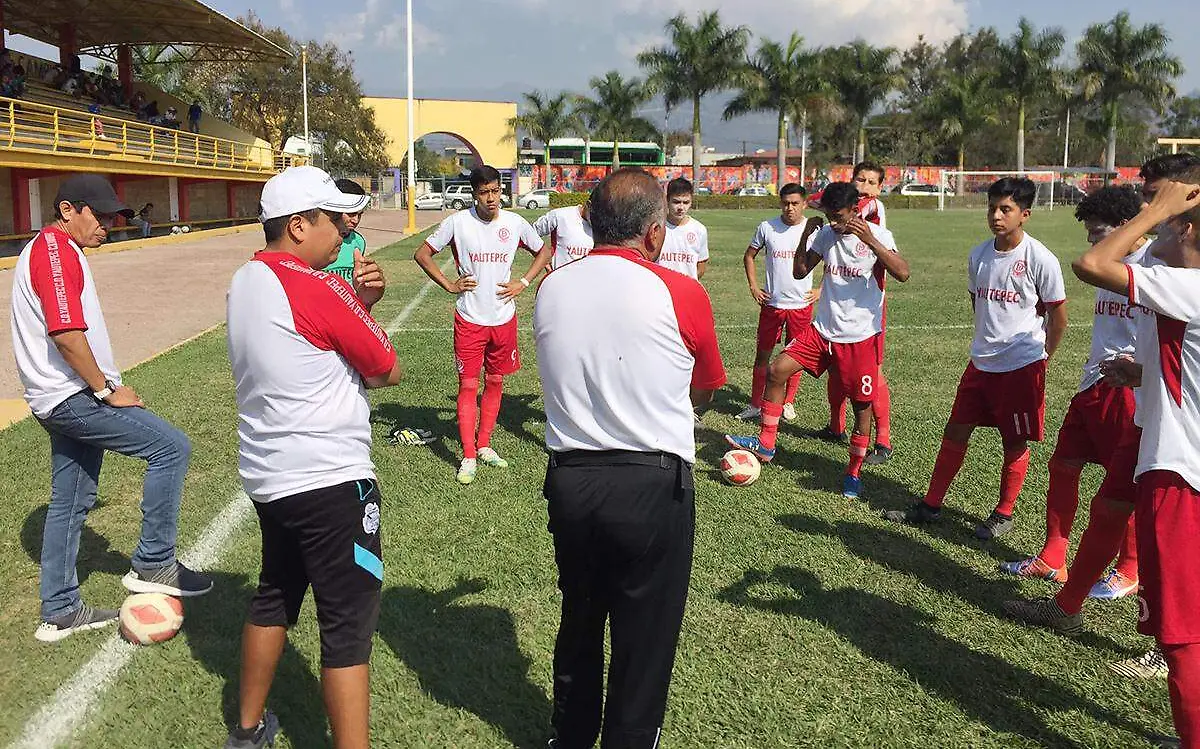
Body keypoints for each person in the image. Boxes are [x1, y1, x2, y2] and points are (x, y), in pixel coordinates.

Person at [534, 167, 725, 748]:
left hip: (572, 480)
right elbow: (706, 387)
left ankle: (569, 736)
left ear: (589, 223)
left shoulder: (552, 287)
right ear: (655, 233)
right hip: (650, 482)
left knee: (582, 616)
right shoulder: (680, 290)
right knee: (646, 634)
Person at [224, 165, 396, 749]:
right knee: (348, 624)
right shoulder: (311, 285)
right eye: (333, 218)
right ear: (298, 226)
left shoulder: (247, 279)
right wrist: (362, 303)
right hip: (331, 479)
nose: (346, 229)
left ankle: (247, 729)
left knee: (275, 591)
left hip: (272, 475)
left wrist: (352, 300)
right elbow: (384, 366)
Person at [10, 174, 212, 643]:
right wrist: (105, 390)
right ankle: (154, 563)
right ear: (67, 211)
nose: (108, 225)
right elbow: (65, 335)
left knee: (72, 499)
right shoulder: (55, 253)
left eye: (112, 218)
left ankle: (59, 610)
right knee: (170, 448)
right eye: (98, 216)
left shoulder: (58, 251)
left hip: (59, 396)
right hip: (71, 397)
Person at [1060, 174, 1200, 749]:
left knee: (1182, 634)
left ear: (1186, 229)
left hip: (1181, 474)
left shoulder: (1187, 286)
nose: (1155, 232)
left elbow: (1092, 263)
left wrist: (1151, 213)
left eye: (1167, 223)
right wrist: (1147, 375)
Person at [884, 177, 1067, 539]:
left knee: (1013, 441)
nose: (996, 216)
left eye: (1006, 209)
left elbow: (1058, 316)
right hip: (981, 363)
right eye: (992, 208)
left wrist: (1044, 356)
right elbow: (977, 303)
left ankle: (1003, 512)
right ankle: (931, 505)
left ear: (1024, 214)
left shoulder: (1039, 258)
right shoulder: (978, 254)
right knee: (956, 431)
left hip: (1021, 365)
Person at [999, 187, 1148, 599]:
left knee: (1126, 485)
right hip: (1093, 384)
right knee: (1063, 466)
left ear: (1124, 227)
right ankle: (1053, 557)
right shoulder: (1110, 264)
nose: (1090, 242)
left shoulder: (1153, 265)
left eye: (1097, 232)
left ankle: (1130, 569)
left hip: (1129, 392)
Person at [725, 181, 910, 500]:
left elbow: (903, 273)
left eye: (838, 216)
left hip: (859, 338)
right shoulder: (826, 234)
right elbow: (799, 272)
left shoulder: (879, 236)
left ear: (855, 211)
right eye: (828, 215)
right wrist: (808, 235)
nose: (834, 223)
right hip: (822, 331)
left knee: (862, 409)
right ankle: (767, 443)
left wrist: (870, 239)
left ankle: (853, 473)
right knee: (777, 369)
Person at [414, 165, 551, 485]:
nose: (492, 198)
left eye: (495, 191)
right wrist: (449, 284)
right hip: (470, 319)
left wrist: (524, 282)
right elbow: (423, 254)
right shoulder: (457, 223)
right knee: (467, 386)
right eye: (484, 192)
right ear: (474, 194)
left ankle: (485, 443)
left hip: (504, 318)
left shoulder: (515, 223)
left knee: (495, 380)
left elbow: (543, 251)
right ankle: (468, 454)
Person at [812, 161, 894, 463]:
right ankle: (836, 426)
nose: (865, 187)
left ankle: (883, 439)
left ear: (880, 187)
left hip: (866, 308)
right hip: (838, 304)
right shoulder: (846, 204)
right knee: (836, 367)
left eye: (871, 182)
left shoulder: (870, 210)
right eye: (860, 180)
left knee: (872, 374)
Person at [734, 183, 819, 423]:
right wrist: (753, 286)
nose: (790, 208)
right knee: (763, 355)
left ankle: (788, 403)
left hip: (800, 306)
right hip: (773, 305)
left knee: (796, 357)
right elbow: (749, 255)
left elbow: (832, 261)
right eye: (785, 203)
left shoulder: (813, 230)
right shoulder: (767, 227)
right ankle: (754, 404)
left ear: (804, 203)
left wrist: (821, 290)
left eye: (795, 203)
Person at [656, 177, 709, 279]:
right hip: (662, 289)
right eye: (676, 202)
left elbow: (701, 266)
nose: (681, 207)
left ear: (691, 202)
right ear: (667, 200)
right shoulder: (657, 227)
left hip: (687, 291)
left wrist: (686, 284)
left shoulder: (699, 230)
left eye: (686, 202)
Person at [324, 180, 369, 283]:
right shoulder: (315, 240)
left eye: (360, 214)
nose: (356, 220)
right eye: (351, 214)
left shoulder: (358, 241)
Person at [533, 198, 593, 270]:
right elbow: (530, 235)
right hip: (559, 279)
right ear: (588, 205)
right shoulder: (559, 216)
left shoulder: (607, 223)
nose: (600, 219)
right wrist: (544, 260)